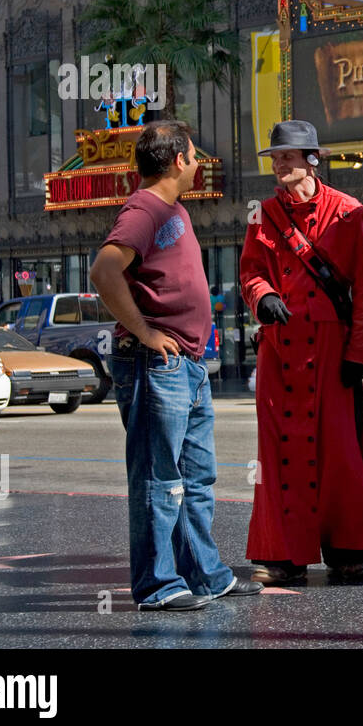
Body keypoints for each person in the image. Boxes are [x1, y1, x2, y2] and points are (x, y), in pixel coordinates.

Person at [90, 120, 263, 611]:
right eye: (194, 154)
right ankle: (157, 586)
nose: (199, 162)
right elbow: (104, 270)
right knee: (158, 478)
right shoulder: (144, 207)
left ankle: (205, 575)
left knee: (195, 477)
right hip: (154, 362)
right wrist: (144, 331)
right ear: (177, 160)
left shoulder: (175, 211)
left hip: (186, 364)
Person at [240, 120, 363, 584]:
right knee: (279, 452)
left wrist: (359, 353)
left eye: (289, 156)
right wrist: (262, 295)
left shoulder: (349, 212)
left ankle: (350, 548)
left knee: (339, 451)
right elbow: (249, 273)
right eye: (276, 157)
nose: (281, 163)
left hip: (330, 351)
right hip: (279, 350)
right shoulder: (261, 214)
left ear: (312, 160)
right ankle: (283, 554)